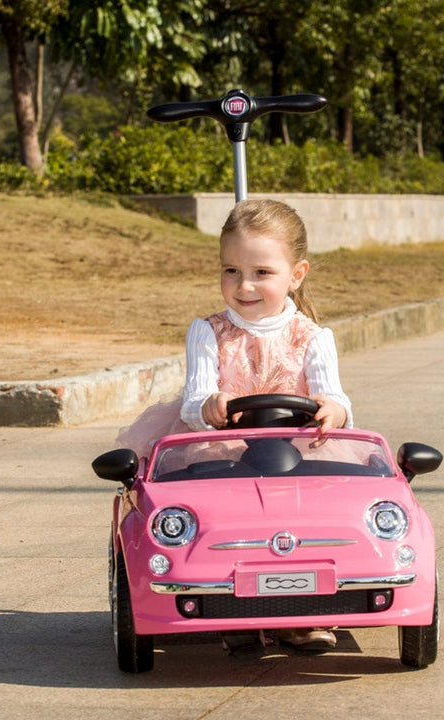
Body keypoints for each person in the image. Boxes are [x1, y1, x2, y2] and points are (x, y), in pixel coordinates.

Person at [116, 198, 353, 650]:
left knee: (303, 523)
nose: (244, 285)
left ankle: (303, 612)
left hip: (296, 452)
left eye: (261, 272)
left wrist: (333, 410)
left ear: (296, 275)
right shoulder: (209, 332)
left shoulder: (313, 337)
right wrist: (210, 405)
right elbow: (194, 400)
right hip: (221, 448)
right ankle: (234, 607)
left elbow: (336, 397)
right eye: (231, 270)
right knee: (223, 521)